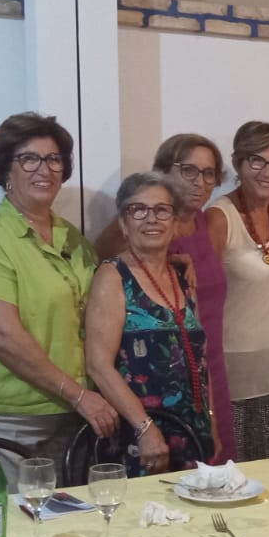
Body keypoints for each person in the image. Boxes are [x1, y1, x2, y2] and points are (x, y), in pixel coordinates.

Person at [0, 113, 113, 470]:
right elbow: (2, 334)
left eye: (53, 159)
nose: (44, 169)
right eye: (29, 159)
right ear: (6, 170)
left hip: (66, 414)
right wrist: (79, 394)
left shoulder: (73, 237)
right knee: (4, 523)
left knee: (63, 523)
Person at [99, 133, 237, 462]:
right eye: (189, 170)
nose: (200, 182)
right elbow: (116, 266)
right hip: (146, 400)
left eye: (208, 173)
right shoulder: (126, 251)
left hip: (204, 372)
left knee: (213, 473)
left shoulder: (207, 225)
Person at [86, 173, 214, 476]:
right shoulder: (112, 276)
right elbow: (98, 366)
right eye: (138, 210)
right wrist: (145, 429)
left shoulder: (181, 275)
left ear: (173, 222)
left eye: (161, 210)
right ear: (123, 223)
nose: (151, 219)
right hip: (138, 435)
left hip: (188, 430)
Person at [208, 121, 269, 460]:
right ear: (238, 163)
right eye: (256, 160)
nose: (267, 171)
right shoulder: (219, 216)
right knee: (233, 470)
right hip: (230, 368)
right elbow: (203, 299)